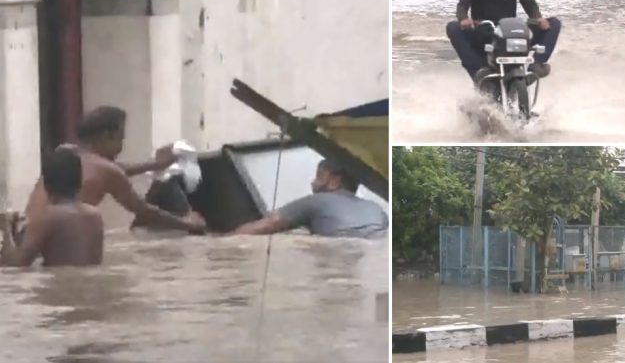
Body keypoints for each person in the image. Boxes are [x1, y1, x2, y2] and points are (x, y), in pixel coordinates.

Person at [19, 106, 205, 238]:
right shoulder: (107, 171)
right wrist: (189, 224)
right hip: (49, 245)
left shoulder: (65, 153)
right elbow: (145, 211)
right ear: (107, 136)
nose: (121, 147)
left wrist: (154, 166)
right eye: (120, 139)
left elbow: (111, 169)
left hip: (23, 233)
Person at [231, 159, 388, 238]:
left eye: (319, 176)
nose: (313, 182)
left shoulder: (317, 201)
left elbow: (263, 226)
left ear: (334, 182)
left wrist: (218, 241)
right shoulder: (376, 209)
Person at [0, 147, 103, 267]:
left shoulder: (48, 217)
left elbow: (16, 264)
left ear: (46, 185)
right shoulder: (96, 216)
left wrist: (6, 227)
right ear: (80, 181)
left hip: (62, 285)